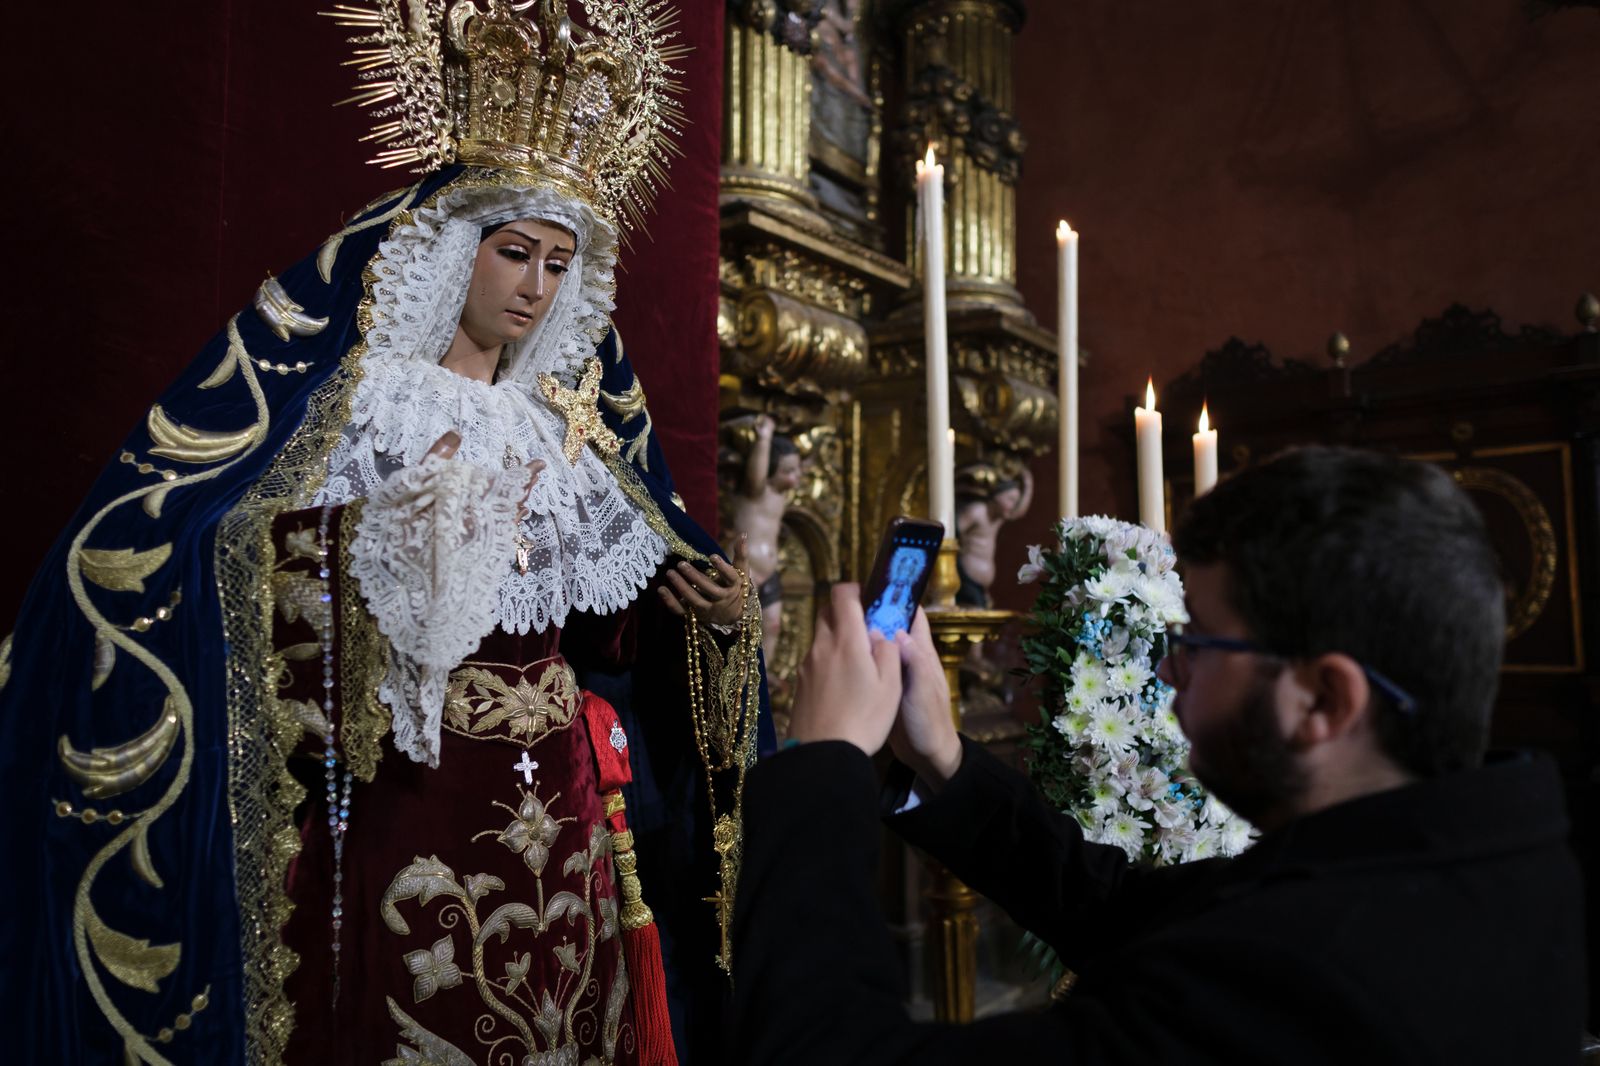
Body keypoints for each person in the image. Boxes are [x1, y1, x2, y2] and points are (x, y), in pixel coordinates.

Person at [5, 4, 769, 1064]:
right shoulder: (367, 409)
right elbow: (227, 559)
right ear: (458, 249)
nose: (534, 286)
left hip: (564, 804)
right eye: (514, 253)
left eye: (557, 263)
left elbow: (611, 634)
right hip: (417, 788)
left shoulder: (568, 425)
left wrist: (713, 616)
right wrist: (377, 534)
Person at [729, 446, 1588, 1064]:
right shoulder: (1476, 854)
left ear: (1325, 701)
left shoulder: (1307, 980)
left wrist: (827, 759)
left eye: (1201, 638)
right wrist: (947, 759)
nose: (1170, 665)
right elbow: (1123, 908)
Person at [725, 414, 803, 663]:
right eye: (787, 471)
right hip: (746, 568)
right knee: (745, 629)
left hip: (768, 571)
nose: (795, 478)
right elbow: (757, 474)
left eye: (797, 470)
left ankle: (762, 684)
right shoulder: (757, 491)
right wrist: (764, 437)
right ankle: (742, 680)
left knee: (772, 626)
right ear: (770, 467)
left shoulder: (780, 496)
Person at [954, 463, 1033, 607]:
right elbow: (952, 532)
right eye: (1010, 499)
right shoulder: (977, 511)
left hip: (982, 586)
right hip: (965, 579)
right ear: (997, 495)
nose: (1012, 505)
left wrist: (1027, 485)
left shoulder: (998, 518)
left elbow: (1019, 511)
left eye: (1015, 501)